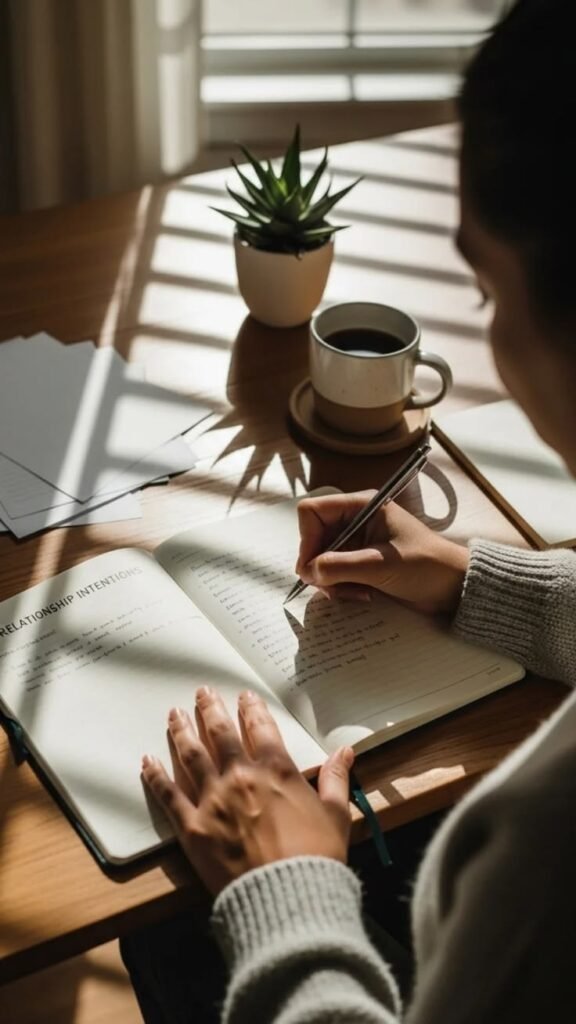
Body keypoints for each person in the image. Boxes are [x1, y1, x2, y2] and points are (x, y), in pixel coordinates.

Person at [136, 1, 576, 1020]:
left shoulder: (544, 862)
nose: (492, 334)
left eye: (485, 285)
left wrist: (283, 892)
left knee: (162, 928)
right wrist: (476, 577)